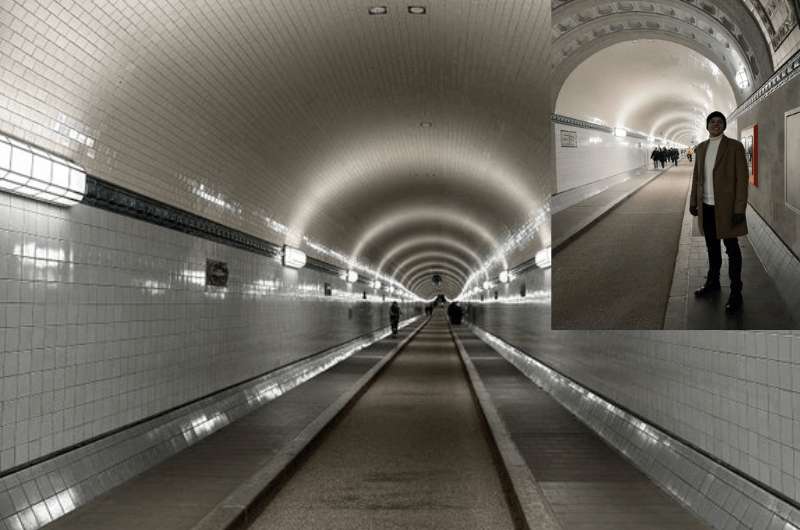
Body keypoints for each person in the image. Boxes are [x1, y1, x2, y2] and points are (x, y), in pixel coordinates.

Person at [689, 111, 749, 313]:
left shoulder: (734, 147)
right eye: (712, 122)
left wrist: (739, 208)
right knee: (712, 248)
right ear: (707, 126)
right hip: (706, 207)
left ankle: (736, 292)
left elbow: (742, 179)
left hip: (727, 209)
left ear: (724, 125)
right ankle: (713, 283)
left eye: (719, 121)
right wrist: (693, 201)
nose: (715, 124)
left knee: (732, 250)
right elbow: (697, 177)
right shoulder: (702, 148)